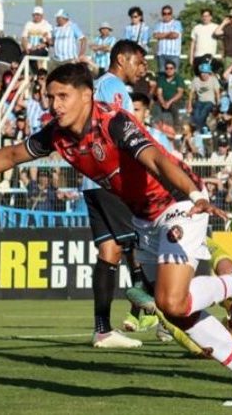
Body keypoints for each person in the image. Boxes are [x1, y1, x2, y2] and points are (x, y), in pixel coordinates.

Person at [0, 62, 232, 407]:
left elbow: (156, 160)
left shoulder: (114, 122)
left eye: (62, 96)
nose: (54, 105)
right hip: (144, 218)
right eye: (49, 97)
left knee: (171, 301)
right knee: (176, 312)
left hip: (179, 202)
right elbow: (11, 156)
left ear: (87, 95)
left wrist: (196, 195)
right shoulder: (56, 135)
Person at [87, 40, 147, 348]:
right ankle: (149, 311)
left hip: (90, 180)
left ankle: (102, 330)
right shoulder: (116, 89)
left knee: (108, 253)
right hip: (112, 178)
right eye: (138, 61)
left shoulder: (94, 87)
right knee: (140, 239)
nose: (142, 68)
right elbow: (128, 134)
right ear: (121, 59)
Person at [187, 63, 220, 132]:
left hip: (210, 102)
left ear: (209, 73)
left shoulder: (213, 79)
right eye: (202, 73)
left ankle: (199, 129)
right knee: (196, 114)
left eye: (206, 73)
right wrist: (189, 105)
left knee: (203, 112)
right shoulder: (196, 80)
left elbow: (217, 93)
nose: (204, 75)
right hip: (199, 101)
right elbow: (191, 93)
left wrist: (218, 104)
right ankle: (202, 128)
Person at [152, 5, 183, 71]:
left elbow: (175, 35)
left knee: (174, 76)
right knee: (162, 76)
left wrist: (162, 35)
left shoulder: (177, 23)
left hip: (174, 54)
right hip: (161, 54)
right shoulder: (158, 24)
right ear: (162, 14)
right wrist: (169, 33)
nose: (167, 15)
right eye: (164, 13)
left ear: (171, 14)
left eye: (169, 13)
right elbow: (155, 35)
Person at [155, 61, 185, 129]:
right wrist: (163, 102)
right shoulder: (161, 78)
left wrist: (169, 102)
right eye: (167, 68)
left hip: (176, 101)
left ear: (174, 69)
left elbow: (180, 93)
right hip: (163, 100)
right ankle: (157, 126)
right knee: (156, 107)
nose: (169, 70)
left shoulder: (178, 78)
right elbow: (159, 93)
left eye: (171, 68)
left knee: (174, 106)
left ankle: (177, 127)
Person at [189, 8, 219, 72]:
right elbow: (193, 43)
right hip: (197, 56)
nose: (205, 18)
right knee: (198, 77)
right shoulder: (196, 28)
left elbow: (223, 40)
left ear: (211, 17)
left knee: (207, 76)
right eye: (203, 16)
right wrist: (191, 58)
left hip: (209, 57)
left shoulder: (216, 27)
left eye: (207, 16)